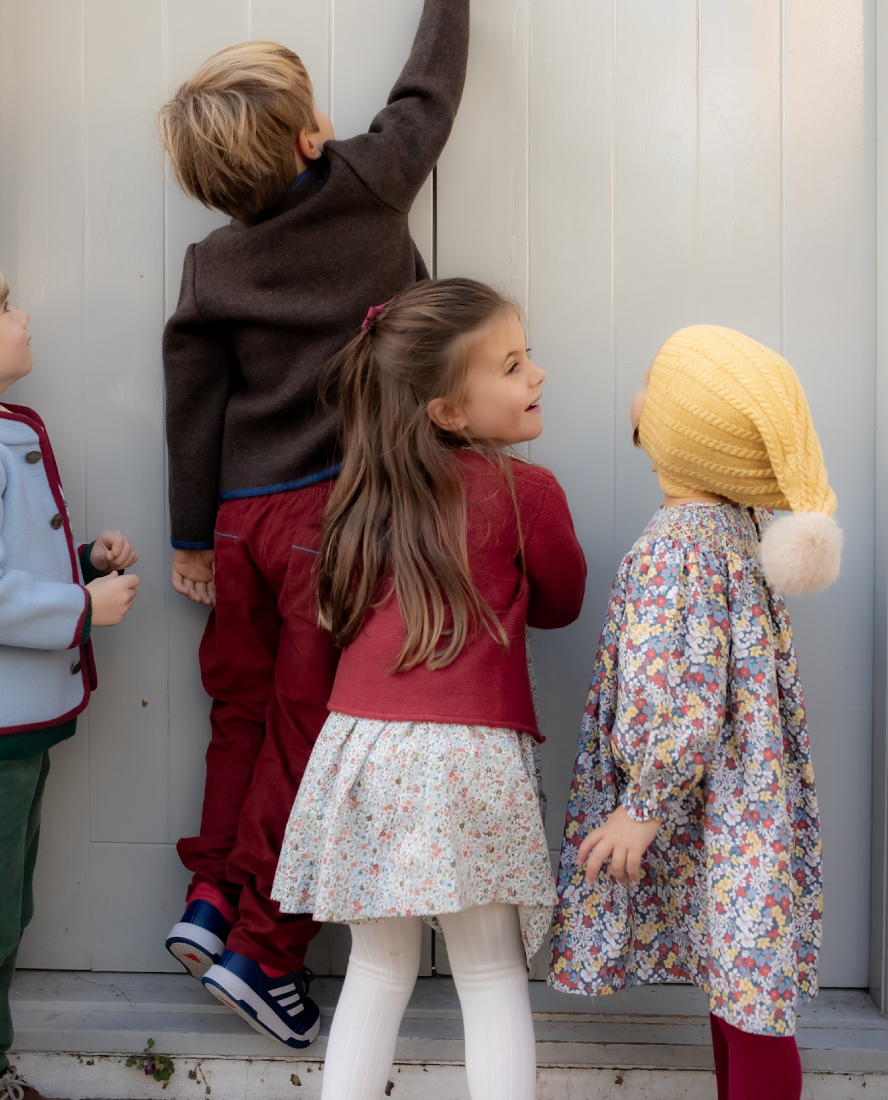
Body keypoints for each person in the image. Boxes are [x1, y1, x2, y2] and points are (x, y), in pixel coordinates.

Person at [156, 0, 470, 1049]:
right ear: (309, 138)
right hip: (329, 522)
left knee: (241, 716)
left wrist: (190, 535)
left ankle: (212, 895)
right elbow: (428, 93)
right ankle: (264, 950)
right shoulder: (368, 183)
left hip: (241, 524)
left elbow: (193, 402)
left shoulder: (212, 263)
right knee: (311, 739)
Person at [271, 278, 586, 1100]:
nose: (537, 374)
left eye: (526, 357)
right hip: (469, 758)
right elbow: (561, 603)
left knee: (377, 970)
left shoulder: (359, 498)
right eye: (512, 366)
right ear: (446, 411)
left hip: (366, 750)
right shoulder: (528, 493)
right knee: (489, 973)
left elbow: (332, 616)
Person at [550, 325, 843, 1100]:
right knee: (741, 979)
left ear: (684, 432)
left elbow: (680, 696)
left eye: (653, 382)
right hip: (743, 798)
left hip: (698, 795)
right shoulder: (739, 529)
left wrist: (641, 805)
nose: (638, 392)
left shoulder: (674, 549)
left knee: (748, 1001)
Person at [0, 272, 140, 1100]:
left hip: (23, 723)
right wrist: (81, 608)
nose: (22, 315)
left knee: (10, 901)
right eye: (1, 307)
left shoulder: (12, 426)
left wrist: (85, 563)